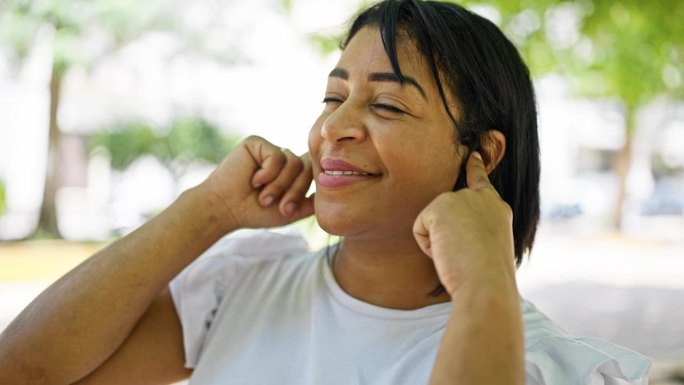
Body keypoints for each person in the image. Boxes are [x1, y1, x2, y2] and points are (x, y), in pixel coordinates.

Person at [0, 0, 651, 384]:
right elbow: (24, 368)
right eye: (333, 96)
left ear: (480, 153)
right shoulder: (242, 285)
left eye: (387, 105)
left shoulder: (558, 366)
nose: (334, 128)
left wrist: (485, 283)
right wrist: (206, 210)